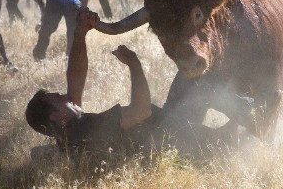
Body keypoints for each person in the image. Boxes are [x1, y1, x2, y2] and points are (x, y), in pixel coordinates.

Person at [26, 8, 239, 159]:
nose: (64, 95)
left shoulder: (68, 134)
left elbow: (75, 77)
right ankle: (246, 114)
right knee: (197, 78)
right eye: (57, 97)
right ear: (55, 115)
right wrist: (134, 64)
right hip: (175, 139)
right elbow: (141, 111)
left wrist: (80, 33)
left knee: (191, 78)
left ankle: (231, 130)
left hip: (168, 129)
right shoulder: (84, 129)